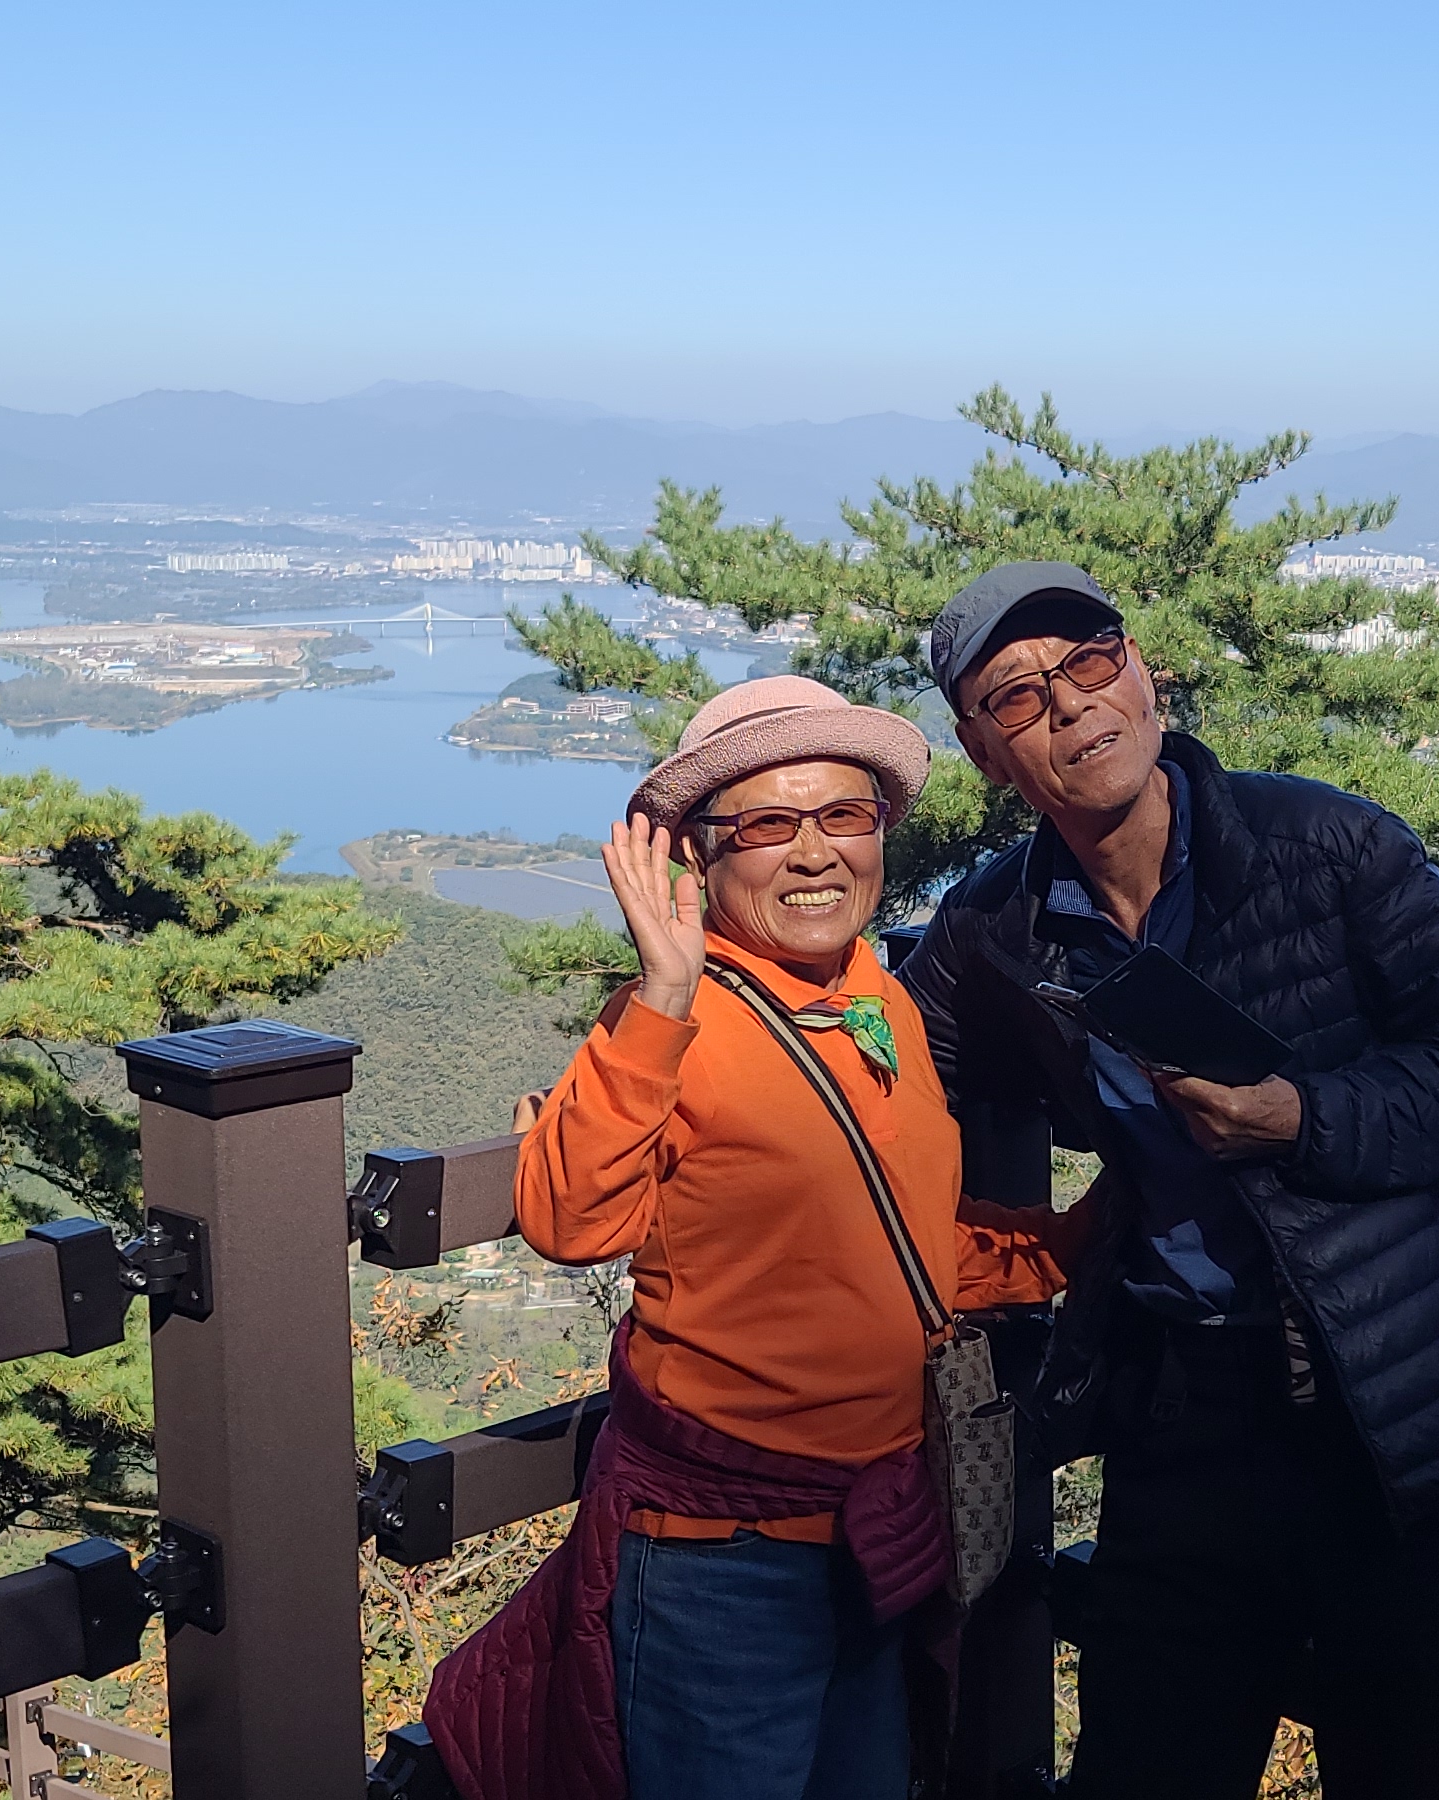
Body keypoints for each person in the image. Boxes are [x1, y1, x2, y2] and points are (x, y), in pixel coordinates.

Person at [896, 561, 1439, 1800]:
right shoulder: (998, 927)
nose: (1072, 704)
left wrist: (1296, 1119)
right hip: (1183, 1408)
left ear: (1144, 672)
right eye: (1018, 696)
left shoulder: (1332, 847)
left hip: (1400, 1415)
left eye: (1090, 661)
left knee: (1399, 1772)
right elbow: (874, 1066)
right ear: (985, 754)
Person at [427, 675, 1087, 1800]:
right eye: (768, 825)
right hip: (719, 1557)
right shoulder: (673, 1024)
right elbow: (572, 1222)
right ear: (702, 855)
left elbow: (899, 1246)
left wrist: (1072, 1242)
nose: (815, 852)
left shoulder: (877, 998)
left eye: (844, 815)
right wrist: (661, 992)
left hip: (875, 1530)